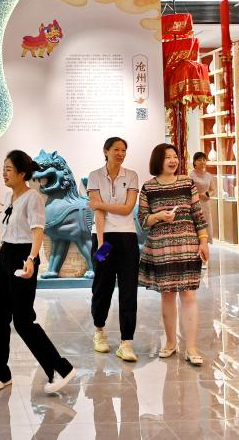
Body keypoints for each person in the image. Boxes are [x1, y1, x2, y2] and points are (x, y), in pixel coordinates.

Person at [0, 150, 76, 394]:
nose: (4, 173)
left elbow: (37, 230)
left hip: (22, 257)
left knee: (23, 321)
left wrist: (31, 258)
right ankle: (2, 374)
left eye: (8, 169)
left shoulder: (33, 198)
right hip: (6, 255)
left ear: (21, 173)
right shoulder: (9, 197)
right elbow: (3, 231)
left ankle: (61, 368)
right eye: (3, 169)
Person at [137, 143, 210, 366]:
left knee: (189, 296)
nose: (173, 160)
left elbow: (198, 215)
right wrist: (160, 216)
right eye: (168, 157)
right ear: (158, 160)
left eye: (175, 156)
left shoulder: (187, 183)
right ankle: (170, 343)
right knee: (167, 295)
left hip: (188, 246)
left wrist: (204, 241)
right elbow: (143, 220)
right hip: (162, 249)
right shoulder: (148, 187)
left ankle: (191, 348)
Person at [85, 137, 141, 362]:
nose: (121, 153)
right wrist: (100, 244)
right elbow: (98, 214)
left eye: (124, 150)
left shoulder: (132, 176)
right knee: (102, 287)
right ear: (106, 151)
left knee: (129, 290)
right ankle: (99, 331)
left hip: (127, 237)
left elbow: (127, 209)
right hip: (103, 239)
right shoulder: (94, 176)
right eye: (116, 149)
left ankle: (126, 343)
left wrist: (100, 204)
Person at [189, 152, 216, 267]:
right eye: (199, 160)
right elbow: (188, 191)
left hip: (206, 204)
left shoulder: (208, 175)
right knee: (196, 230)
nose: (202, 162)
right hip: (194, 204)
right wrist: (199, 195)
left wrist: (208, 194)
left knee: (206, 229)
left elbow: (213, 189)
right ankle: (194, 257)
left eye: (204, 159)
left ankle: (204, 258)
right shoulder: (191, 175)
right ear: (194, 162)